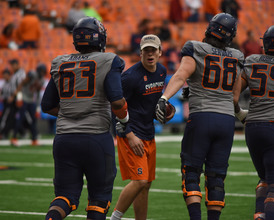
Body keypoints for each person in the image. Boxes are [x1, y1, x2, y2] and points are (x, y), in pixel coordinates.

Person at [155, 13, 244, 220]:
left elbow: (181, 75)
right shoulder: (237, 56)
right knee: (216, 177)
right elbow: (234, 98)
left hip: (202, 117)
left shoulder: (196, 48)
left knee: (192, 172)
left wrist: (164, 97)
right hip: (226, 121)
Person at [41, 17, 129, 220]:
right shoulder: (109, 60)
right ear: (100, 38)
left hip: (64, 139)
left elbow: (47, 105)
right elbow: (117, 101)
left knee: (65, 197)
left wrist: (71, 112)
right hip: (96, 138)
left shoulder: (60, 62)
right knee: (99, 199)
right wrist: (124, 122)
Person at [110, 34, 167, 220]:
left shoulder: (162, 72)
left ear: (160, 52)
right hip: (132, 133)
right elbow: (116, 108)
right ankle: (114, 218)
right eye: (146, 50)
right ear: (140, 53)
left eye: (153, 50)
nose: (150, 54)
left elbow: (150, 104)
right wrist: (129, 134)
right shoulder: (130, 77)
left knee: (146, 184)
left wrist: (166, 111)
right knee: (140, 180)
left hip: (148, 133)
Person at [234, 25, 274, 220]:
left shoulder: (251, 61)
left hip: (253, 127)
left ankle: (260, 214)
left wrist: (241, 115)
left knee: (264, 179)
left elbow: (232, 97)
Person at [11, 63, 47, 146]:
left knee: (33, 119)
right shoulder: (32, 74)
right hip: (23, 97)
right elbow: (22, 83)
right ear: (38, 70)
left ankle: (34, 139)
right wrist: (18, 96)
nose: (42, 73)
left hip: (31, 99)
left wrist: (38, 107)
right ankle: (14, 138)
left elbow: (37, 93)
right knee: (20, 118)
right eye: (41, 71)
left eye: (43, 71)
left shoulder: (42, 80)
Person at [8, 59, 26, 146]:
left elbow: (21, 86)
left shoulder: (21, 74)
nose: (12, 67)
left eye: (13, 65)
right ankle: (21, 133)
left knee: (19, 116)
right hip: (16, 97)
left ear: (17, 64)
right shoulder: (15, 74)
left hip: (19, 98)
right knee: (17, 116)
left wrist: (16, 98)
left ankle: (17, 135)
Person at [0, 68, 15, 139]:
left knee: (6, 118)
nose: (5, 77)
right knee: (5, 118)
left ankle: (3, 133)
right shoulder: (4, 83)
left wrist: (11, 97)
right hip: (5, 102)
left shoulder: (12, 83)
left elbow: (14, 92)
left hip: (11, 103)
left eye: (6, 75)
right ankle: (3, 133)